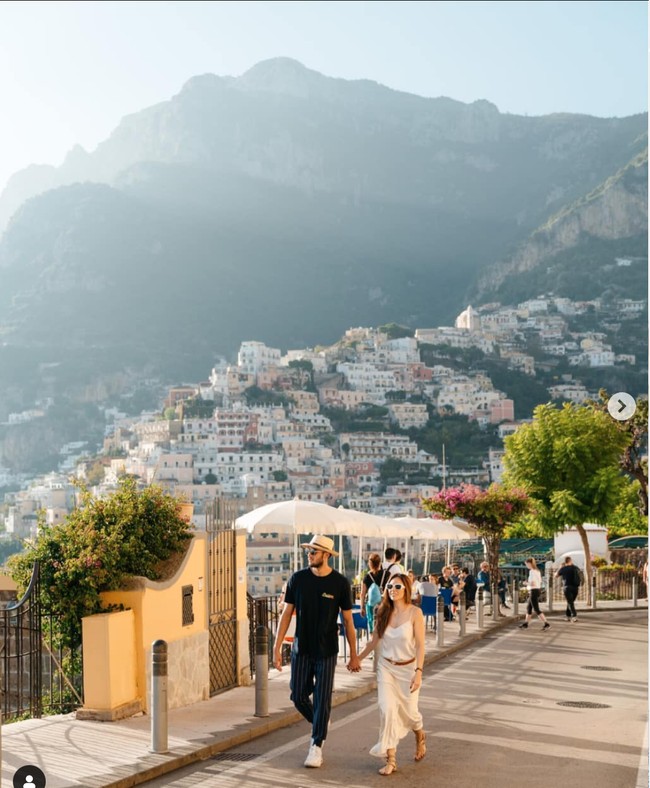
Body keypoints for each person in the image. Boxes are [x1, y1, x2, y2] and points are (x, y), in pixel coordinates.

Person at [273, 535, 360, 769]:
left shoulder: (340, 583)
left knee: (322, 697)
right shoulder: (298, 580)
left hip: (327, 650)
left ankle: (316, 745)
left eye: (314, 551)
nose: (309, 555)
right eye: (309, 551)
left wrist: (353, 654)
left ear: (327, 555)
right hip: (301, 649)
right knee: (298, 695)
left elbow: (349, 622)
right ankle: (320, 721)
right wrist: (277, 645)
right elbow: (285, 615)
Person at [355, 573, 427, 776]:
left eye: (397, 586)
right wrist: (357, 658)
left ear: (406, 589)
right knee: (387, 711)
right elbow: (374, 640)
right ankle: (391, 760)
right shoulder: (382, 611)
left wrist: (419, 672)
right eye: (389, 586)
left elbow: (421, 646)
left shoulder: (415, 613)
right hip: (386, 668)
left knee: (411, 714)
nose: (392, 590)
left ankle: (420, 734)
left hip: (408, 669)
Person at [518, 557, 550, 631]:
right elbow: (539, 581)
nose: (526, 566)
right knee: (529, 608)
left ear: (529, 564)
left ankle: (546, 624)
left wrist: (525, 583)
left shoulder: (532, 571)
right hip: (537, 590)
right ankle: (526, 624)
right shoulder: (537, 571)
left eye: (526, 564)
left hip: (533, 591)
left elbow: (532, 583)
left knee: (536, 609)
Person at [360, 552, 384, 632]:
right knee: (383, 624)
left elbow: (362, 594)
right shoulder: (387, 574)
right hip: (383, 604)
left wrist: (362, 608)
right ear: (380, 563)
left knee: (371, 624)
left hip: (371, 606)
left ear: (370, 564)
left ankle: (372, 639)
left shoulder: (367, 577)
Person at [555, 556, 581, 622]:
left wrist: (560, 568)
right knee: (570, 602)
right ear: (570, 561)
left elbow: (556, 576)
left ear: (565, 562)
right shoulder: (576, 568)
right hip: (576, 587)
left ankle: (574, 616)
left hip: (567, 587)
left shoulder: (563, 568)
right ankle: (568, 616)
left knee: (570, 602)